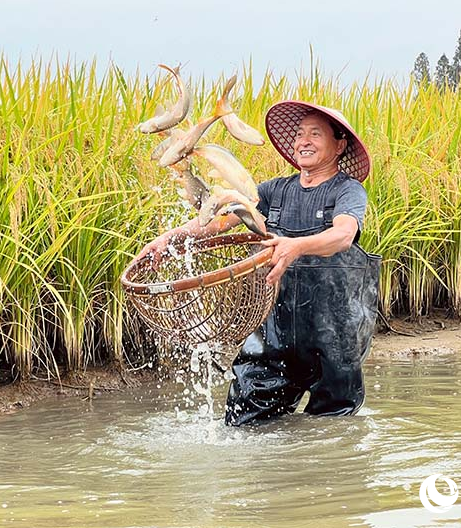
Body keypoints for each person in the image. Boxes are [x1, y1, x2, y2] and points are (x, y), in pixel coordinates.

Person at [135, 101, 381, 426]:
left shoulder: (348, 190)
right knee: (242, 426)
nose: (303, 141)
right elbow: (217, 222)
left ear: (339, 145)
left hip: (334, 340)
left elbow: (343, 235)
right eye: (299, 134)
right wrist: (169, 239)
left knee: (335, 432)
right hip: (273, 337)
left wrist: (296, 246)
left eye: (315, 134)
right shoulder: (272, 191)